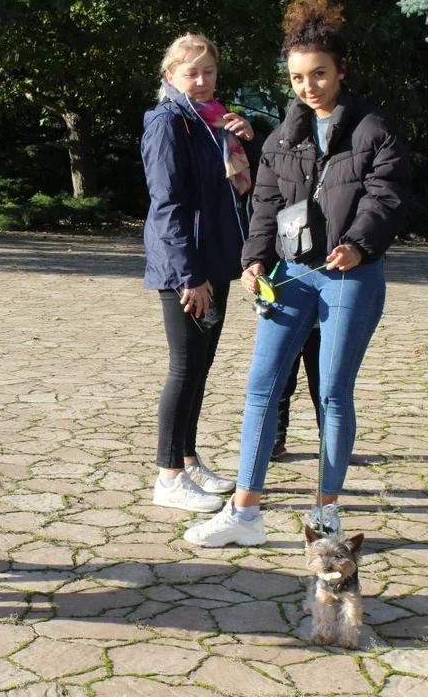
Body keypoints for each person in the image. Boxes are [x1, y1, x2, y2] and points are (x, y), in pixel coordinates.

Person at [184, 0, 409, 547]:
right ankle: (245, 512)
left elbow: (386, 197)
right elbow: (264, 202)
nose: (308, 87)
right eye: (297, 78)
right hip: (291, 276)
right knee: (261, 387)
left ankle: (327, 512)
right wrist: (253, 260)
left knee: (333, 391)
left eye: (319, 75)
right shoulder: (284, 136)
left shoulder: (374, 129)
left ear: (341, 71)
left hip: (352, 276)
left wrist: (358, 243)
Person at [141, 33, 255, 513]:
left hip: (215, 261)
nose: (203, 81)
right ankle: (167, 476)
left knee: (201, 367)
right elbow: (167, 204)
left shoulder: (213, 121)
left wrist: (246, 141)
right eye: (192, 73)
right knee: (184, 368)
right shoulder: (167, 123)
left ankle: (187, 460)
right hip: (184, 266)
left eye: (209, 71)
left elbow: (231, 191)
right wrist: (190, 276)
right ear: (171, 76)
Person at [272, 325, 321, 458]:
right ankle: (277, 438)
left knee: (322, 389)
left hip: (321, 327)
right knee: (282, 385)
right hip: (289, 324)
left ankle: (329, 441)